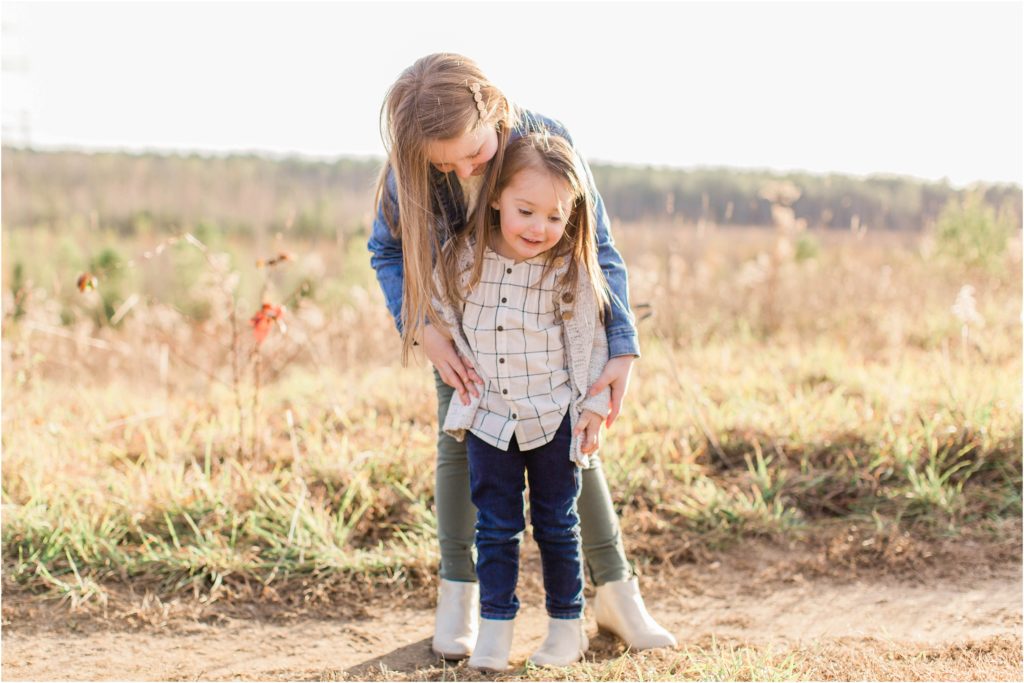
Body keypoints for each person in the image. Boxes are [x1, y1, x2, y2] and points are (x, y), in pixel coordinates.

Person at [368, 53, 676, 659]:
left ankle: (615, 592)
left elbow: (598, 244)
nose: (460, 170)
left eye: (473, 155)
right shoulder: (410, 168)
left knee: (572, 446)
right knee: (460, 443)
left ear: (494, 107)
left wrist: (621, 349)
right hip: (464, 333)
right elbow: (386, 251)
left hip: (553, 332)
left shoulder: (546, 138)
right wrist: (420, 325)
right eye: (443, 163)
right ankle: (459, 591)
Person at [432, 131, 611, 670]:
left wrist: (595, 407)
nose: (539, 229)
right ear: (495, 199)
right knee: (496, 526)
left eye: (555, 217)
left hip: (554, 417)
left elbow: (592, 339)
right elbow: (437, 309)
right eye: (526, 211)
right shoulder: (463, 259)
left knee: (557, 524)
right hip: (490, 420)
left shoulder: (569, 270)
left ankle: (565, 627)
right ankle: (495, 629)